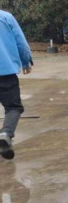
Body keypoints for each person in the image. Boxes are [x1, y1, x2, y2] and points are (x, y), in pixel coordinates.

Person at [0, 10, 33, 159]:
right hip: (5, 72)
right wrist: (26, 62)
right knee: (13, 107)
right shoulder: (5, 17)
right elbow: (21, 42)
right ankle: (6, 134)